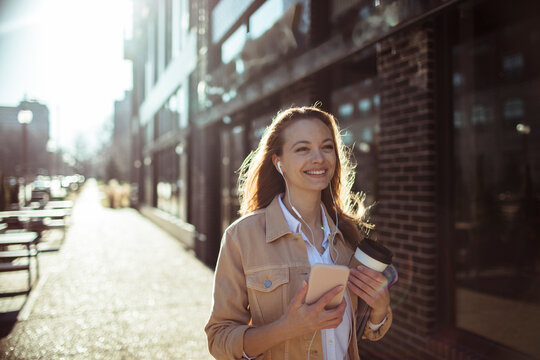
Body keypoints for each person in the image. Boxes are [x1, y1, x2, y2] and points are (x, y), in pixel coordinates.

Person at [205, 106, 393, 359]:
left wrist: (380, 309)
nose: (319, 158)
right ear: (278, 161)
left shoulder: (348, 238)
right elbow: (219, 339)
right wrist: (286, 328)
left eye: (327, 147)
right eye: (303, 149)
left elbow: (363, 330)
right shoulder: (241, 237)